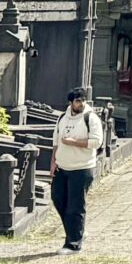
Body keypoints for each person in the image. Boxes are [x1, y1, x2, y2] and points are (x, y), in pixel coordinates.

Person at [52, 87, 104, 252]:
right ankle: (77, 230)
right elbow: (56, 142)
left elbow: (96, 142)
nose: (81, 103)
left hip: (82, 167)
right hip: (62, 166)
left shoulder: (91, 118)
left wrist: (73, 141)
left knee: (75, 205)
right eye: (78, 101)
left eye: (83, 100)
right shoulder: (62, 118)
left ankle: (73, 244)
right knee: (58, 199)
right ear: (71, 102)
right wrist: (53, 162)